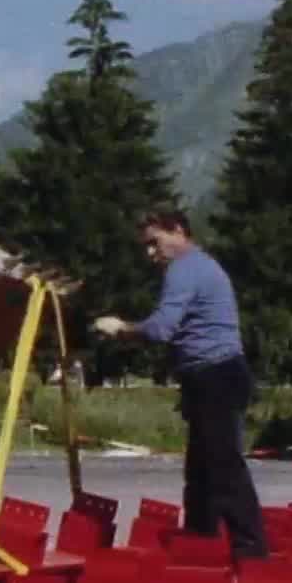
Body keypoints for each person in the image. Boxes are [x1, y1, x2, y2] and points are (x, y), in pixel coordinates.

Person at [94, 207, 268, 563]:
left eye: (154, 243)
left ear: (177, 230)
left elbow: (161, 328)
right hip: (212, 375)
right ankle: (200, 543)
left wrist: (121, 328)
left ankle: (251, 553)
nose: (150, 254)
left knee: (223, 468)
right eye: (145, 247)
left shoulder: (184, 269)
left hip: (215, 374)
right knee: (201, 470)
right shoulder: (200, 266)